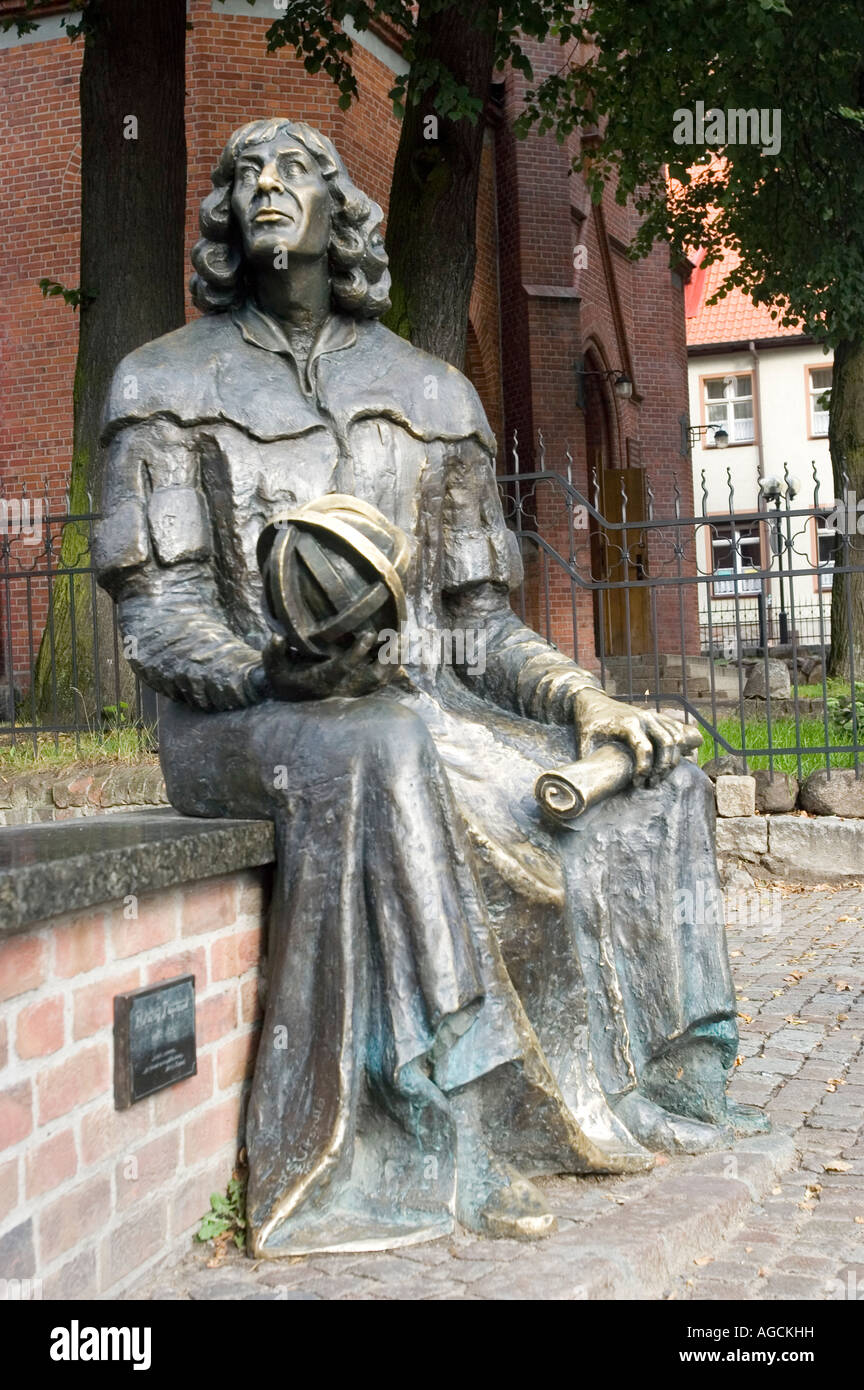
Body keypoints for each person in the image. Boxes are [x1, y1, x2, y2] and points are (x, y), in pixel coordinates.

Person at [95, 119, 764, 1259]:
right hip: (237, 721)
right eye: (245, 175)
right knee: (385, 741)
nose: (266, 188)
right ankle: (444, 1117)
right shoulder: (160, 383)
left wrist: (585, 703)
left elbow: (480, 629)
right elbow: (160, 619)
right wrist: (268, 671)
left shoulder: (430, 391)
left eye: (294, 172)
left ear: (341, 211)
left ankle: (664, 1078)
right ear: (224, 217)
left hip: (412, 713)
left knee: (657, 780)